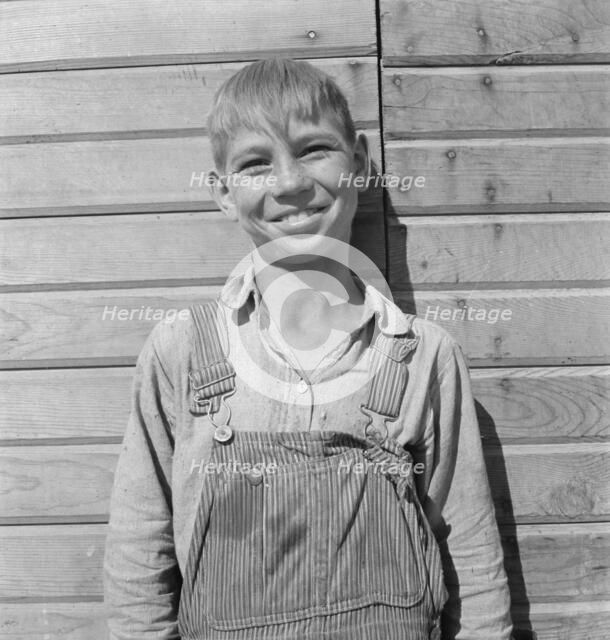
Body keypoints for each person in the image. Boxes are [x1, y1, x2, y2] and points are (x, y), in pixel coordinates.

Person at [104, 57, 513, 639]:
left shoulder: (423, 356)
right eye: (254, 163)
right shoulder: (182, 351)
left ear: (361, 162)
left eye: (315, 149)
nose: (290, 183)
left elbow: (471, 558)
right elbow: (138, 556)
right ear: (222, 192)